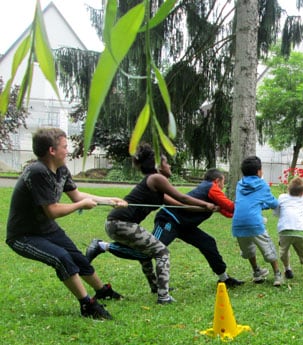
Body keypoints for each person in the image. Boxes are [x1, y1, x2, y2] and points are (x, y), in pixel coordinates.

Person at [5, 127, 127, 320]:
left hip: (47, 229)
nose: (67, 150)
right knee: (61, 258)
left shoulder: (61, 169)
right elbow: (52, 210)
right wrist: (81, 205)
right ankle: (88, 305)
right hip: (23, 235)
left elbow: (77, 195)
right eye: (64, 146)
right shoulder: (37, 172)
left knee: (77, 257)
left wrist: (109, 200)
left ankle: (102, 291)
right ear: (52, 151)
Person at [87, 143, 217, 304]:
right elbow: (182, 197)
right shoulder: (157, 178)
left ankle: (156, 287)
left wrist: (209, 209)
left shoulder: (155, 185)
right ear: (158, 165)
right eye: (166, 162)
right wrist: (205, 204)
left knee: (147, 253)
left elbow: (181, 205)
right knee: (162, 252)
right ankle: (163, 297)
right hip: (121, 222)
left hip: (117, 224)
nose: (169, 165)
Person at [88, 168, 244, 289]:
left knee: (208, 242)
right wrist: (247, 208)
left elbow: (226, 211)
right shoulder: (212, 187)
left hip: (185, 225)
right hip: (169, 219)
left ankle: (224, 278)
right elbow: (229, 206)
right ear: (217, 180)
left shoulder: (210, 191)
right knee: (151, 252)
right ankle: (103, 246)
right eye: (224, 183)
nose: (223, 187)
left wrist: (243, 214)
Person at [232, 156, 283, 286]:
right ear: (259, 171)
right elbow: (273, 203)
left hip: (238, 224)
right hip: (254, 223)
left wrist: (261, 205)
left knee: (248, 249)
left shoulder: (239, 184)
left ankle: (256, 272)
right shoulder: (261, 184)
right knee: (268, 248)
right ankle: (277, 274)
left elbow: (250, 202)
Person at [273, 177, 303, 280]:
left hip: (285, 231)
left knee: (283, 252)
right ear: (302, 193)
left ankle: (287, 269)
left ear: (288, 188)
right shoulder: (302, 201)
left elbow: (276, 211)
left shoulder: (282, 197)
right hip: (300, 231)